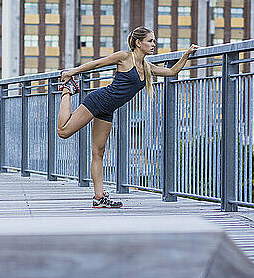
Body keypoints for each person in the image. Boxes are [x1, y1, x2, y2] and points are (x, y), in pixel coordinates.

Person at [58, 26, 199, 208]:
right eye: (150, 41)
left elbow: (172, 73)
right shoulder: (125, 57)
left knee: (98, 152)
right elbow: (97, 64)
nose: (153, 44)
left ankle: (99, 197)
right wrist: (72, 72)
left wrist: (186, 54)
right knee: (63, 132)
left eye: (154, 41)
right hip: (98, 100)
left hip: (108, 110)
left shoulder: (146, 67)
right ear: (138, 43)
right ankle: (67, 92)